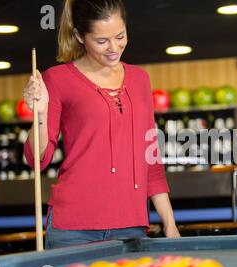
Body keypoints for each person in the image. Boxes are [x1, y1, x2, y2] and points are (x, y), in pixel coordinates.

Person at [23, 0, 180, 249]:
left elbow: (150, 157)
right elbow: (37, 160)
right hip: (73, 229)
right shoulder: (56, 79)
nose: (114, 48)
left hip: (132, 225)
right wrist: (40, 113)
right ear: (79, 36)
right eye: (101, 41)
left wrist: (170, 224)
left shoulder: (140, 79)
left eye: (120, 36)